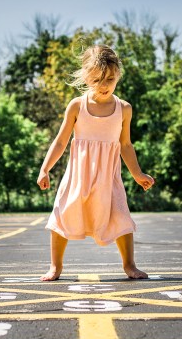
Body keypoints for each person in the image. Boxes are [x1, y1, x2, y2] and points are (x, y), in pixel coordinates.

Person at [37, 44, 155, 281]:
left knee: (121, 216)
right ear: (86, 77)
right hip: (78, 176)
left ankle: (129, 265)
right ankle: (55, 267)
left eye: (110, 78)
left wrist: (138, 173)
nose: (104, 85)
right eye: (97, 79)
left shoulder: (124, 109)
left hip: (107, 177)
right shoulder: (77, 106)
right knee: (62, 214)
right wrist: (45, 168)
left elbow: (125, 145)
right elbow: (61, 141)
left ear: (118, 75)